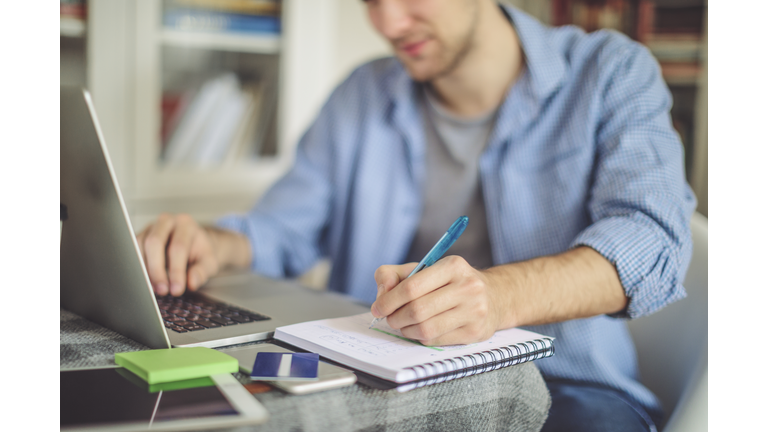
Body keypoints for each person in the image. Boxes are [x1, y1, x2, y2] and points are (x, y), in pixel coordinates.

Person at [137, 1, 696, 430]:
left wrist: (499, 297)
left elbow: (652, 242)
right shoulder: (361, 94)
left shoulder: (611, 74)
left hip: (570, 387)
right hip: (379, 378)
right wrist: (208, 243)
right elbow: (282, 229)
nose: (389, 21)